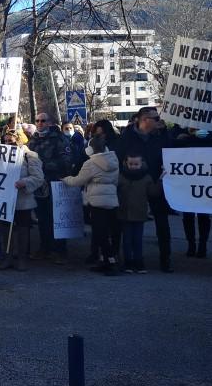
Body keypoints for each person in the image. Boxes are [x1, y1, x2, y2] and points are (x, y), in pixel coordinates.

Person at [115, 106, 173, 272]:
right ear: (144, 120)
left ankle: (165, 259)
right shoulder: (127, 137)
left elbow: (170, 152)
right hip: (131, 185)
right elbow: (118, 159)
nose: (159, 121)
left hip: (154, 183)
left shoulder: (161, 136)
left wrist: (165, 133)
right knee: (126, 223)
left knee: (162, 222)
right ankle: (123, 258)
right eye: (155, 118)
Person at [62, 135, 120, 275]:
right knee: (108, 233)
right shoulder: (113, 159)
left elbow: (78, 181)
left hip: (96, 201)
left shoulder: (91, 163)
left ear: (89, 149)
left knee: (100, 234)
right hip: (112, 199)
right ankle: (107, 260)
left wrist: (65, 179)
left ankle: (109, 262)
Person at [28, 112, 73, 263]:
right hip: (39, 185)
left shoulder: (59, 138)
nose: (40, 123)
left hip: (55, 183)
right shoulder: (33, 140)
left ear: (49, 122)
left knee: (57, 218)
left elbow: (66, 161)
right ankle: (45, 247)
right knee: (42, 218)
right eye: (37, 121)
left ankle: (60, 251)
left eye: (43, 121)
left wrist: (42, 166)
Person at [0, 131, 44, 271]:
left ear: (20, 141)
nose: (8, 144)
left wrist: (24, 182)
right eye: (6, 141)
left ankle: (22, 258)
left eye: (11, 142)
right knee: (6, 230)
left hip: (23, 201)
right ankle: (8, 257)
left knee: (23, 230)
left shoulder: (30, 156)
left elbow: (38, 177)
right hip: (5, 200)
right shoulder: (0, 155)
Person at [174, 127, 211, 258]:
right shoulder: (181, 127)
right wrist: (189, 135)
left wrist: (206, 136)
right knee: (187, 214)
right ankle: (191, 244)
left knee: (203, 214)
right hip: (187, 176)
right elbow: (174, 141)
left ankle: (202, 245)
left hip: (205, 175)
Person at [117, 153, 157, 273]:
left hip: (139, 213)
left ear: (141, 164)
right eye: (131, 164)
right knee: (127, 240)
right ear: (126, 163)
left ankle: (139, 262)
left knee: (137, 240)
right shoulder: (121, 176)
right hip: (124, 212)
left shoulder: (146, 178)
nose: (133, 166)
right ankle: (128, 262)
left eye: (136, 164)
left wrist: (161, 180)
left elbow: (153, 193)